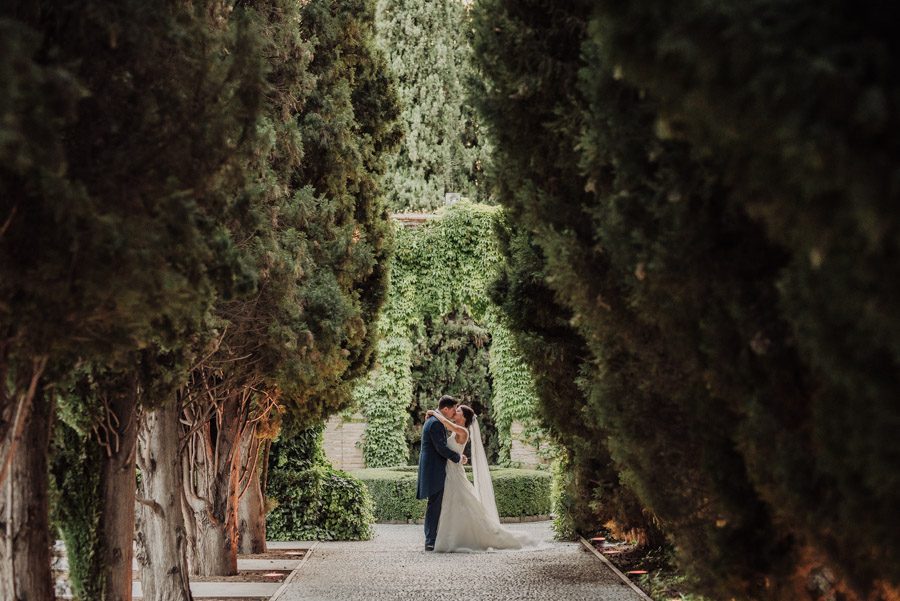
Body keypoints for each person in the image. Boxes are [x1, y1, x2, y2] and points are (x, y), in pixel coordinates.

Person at [425, 404, 542, 552]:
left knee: (460, 502)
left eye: (459, 410)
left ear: (465, 417)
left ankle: (459, 538)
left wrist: (433, 413)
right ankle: (452, 536)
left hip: (454, 473)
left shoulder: (462, 431)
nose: (456, 411)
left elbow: (446, 423)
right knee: (453, 504)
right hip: (450, 472)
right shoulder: (456, 429)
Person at [416, 395, 468, 551]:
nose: (454, 412)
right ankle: (430, 540)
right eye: (453, 409)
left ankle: (435, 537)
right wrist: (458, 457)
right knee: (434, 504)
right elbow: (441, 448)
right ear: (446, 408)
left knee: (437, 504)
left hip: (437, 468)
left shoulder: (435, 421)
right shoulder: (435, 423)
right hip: (434, 469)